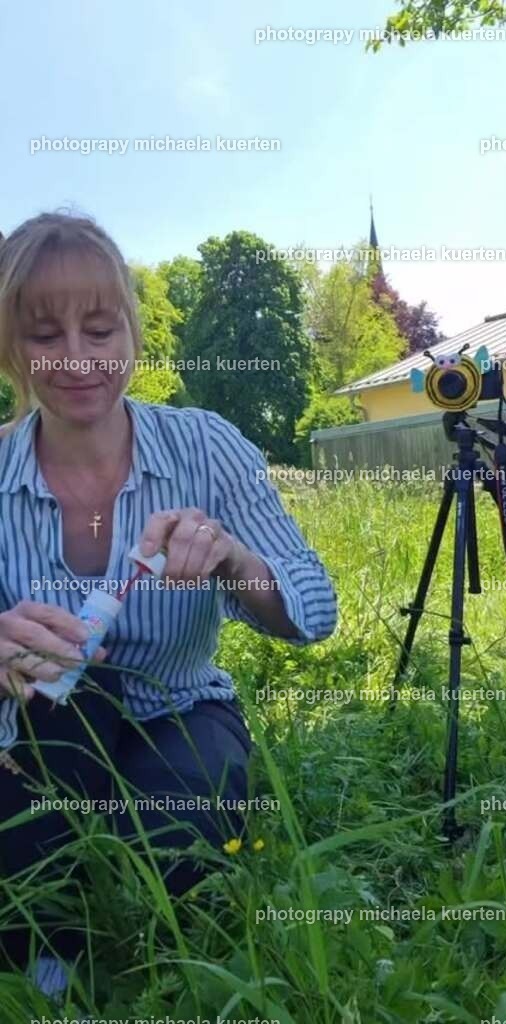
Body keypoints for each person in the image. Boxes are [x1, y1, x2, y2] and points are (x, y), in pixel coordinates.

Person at [0, 211, 337, 999]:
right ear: (11, 346)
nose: (79, 359)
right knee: (23, 842)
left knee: (171, 843)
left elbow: (313, 608)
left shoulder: (206, 446)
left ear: (133, 331)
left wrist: (233, 559)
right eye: (46, 335)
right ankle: (45, 971)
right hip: (35, 724)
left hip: (180, 708)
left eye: (101, 327)